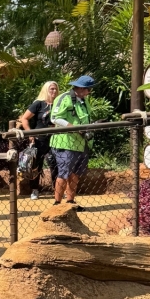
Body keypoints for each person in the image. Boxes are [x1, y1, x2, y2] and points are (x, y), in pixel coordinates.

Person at [50, 75, 95, 208]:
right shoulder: (64, 98)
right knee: (64, 173)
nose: (89, 92)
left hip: (81, 144)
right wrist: (74, 128)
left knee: (75, 174)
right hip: (65, 143)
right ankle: (57, 204)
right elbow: (55, 118)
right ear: (81, 88)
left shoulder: (84, 100)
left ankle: (70, 202)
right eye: (88, 89)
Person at [18, 80, 60, 200]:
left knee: (56, 163)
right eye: (51, 89)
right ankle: (34, 190)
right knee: (36, 165)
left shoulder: (59, 104)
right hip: (39, 139)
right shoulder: (39, 104)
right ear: (46, 90)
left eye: (56, 89)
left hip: (56, 139)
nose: (54, 91)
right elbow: (24, 118)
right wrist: (30, 134)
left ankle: (57, 189)